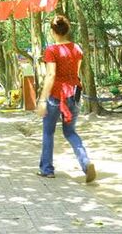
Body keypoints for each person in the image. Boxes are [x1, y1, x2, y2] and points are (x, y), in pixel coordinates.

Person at [36, 15, 96, 183]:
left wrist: (42, 100)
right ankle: (86, 163)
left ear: (52, 31)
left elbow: (51, 75)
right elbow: (75, 73)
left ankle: (47, 169)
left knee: (48, 132)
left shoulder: (51, 50)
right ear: (67, 30)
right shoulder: (77, 48)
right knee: (70, 132)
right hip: (74, 94)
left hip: (56, 95)